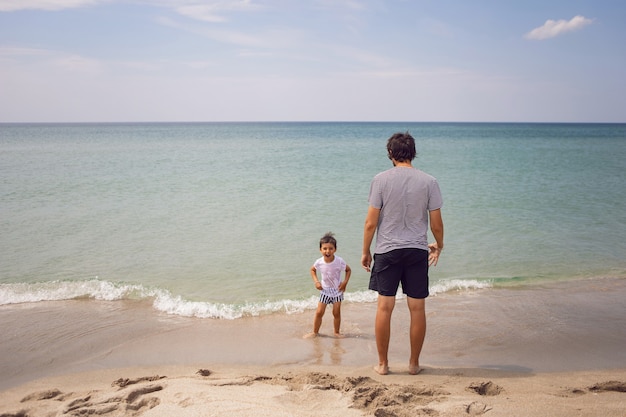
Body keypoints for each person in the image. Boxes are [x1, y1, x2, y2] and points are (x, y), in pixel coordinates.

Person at [361, 132, 444, 376]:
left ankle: (383, 364)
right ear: (413, 152)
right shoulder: (429, 181)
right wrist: (439, 245)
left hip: (387, 251)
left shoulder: (380, 180)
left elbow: (370, 223)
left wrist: (365, 251)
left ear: (390, 154)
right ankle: (413, 364)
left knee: (384, 307)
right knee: (417, 309)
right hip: (417, 250)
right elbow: (436, 224)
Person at [306, 232, 352, 338]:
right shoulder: (319, 262)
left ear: (335, 249)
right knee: (319, 312)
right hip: (325, 291)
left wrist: (344, 283)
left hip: (337, 291)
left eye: (331, 248)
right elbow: (312, 270)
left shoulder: (339, 261)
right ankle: (315, 332)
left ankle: (336, 332)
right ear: (320, 250)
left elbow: (348, 270)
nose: (328, 251)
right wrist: (316, 282)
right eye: (325, 248)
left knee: (336, 313)